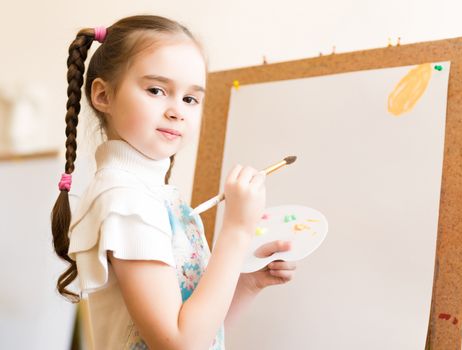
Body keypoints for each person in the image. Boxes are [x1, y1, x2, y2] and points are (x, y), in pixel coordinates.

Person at [50, 15, 297, 349]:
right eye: (156, 90)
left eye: (190, 99)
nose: (177, 111)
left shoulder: (152, 194)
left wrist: (248, 282)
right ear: (103, 95)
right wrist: (237, 231)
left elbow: (202, 331)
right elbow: (180, 344)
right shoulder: (126, 200)